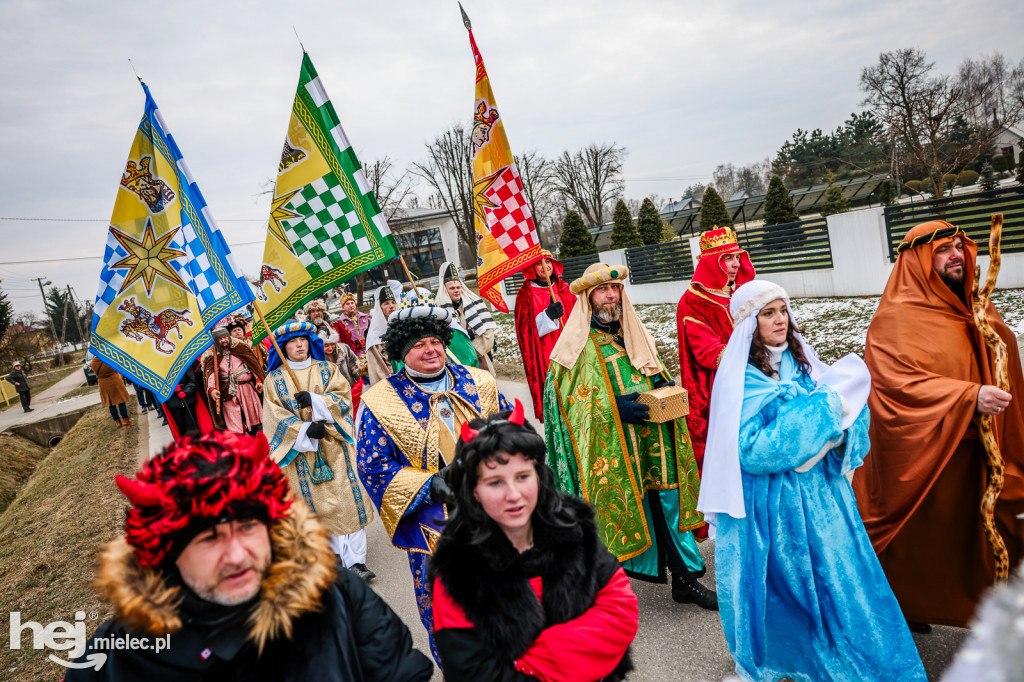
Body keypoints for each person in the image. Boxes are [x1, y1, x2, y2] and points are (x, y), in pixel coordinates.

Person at [65, 430, 433, 681]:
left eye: (247, 528)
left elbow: (400, 670)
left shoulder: (338, 593)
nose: (237, 555)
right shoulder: (117, 656)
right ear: (166, 551)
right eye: (209, 539)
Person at [698, 279, 926, 682]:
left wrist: (838, 429)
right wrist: (821, 413)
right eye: (768, 313)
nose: (779, 320)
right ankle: (789, 653)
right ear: (751, 324)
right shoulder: (741, 379)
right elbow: (754, 451)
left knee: (840, 582)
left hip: (824, 502)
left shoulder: (802, 360)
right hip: (774, 508)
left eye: (783, 310)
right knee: (788, 588)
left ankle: (845, 645)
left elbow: (848, 412)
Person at [853, 220, 1024, 629]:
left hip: (982, 451)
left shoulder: (975, 307)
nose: (956, 256)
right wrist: (968, 396)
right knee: (921, 538)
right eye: (944, 250)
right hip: (926, 456)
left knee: (986, 530)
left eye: (960, 247)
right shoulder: (895, 318)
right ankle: (902, 606)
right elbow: (897, 384)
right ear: (918, 262)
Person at [543, 263, 716, 610]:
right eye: (603, 290)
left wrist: (661, 385)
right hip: (613, 448)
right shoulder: (575, 346)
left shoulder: (632, 332)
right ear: (588, 298)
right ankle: (607, 591)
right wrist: (612, 408)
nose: (611, 295)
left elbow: (649, 369)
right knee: (624, 508)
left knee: (666, 501)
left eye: (616, 289)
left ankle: (685, 579)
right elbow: (564, 407)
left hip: (653, 436)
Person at [430, 405, 638, 682]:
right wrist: (582, 656)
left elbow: (620, 610)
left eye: (522, 477)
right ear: (474, 492)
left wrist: (527, 660)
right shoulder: (457, 568)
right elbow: (471, 669)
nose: (514, 495)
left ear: (538, 476)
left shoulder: (574, 532)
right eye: (495, 483)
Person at [356, 304, 508, 662]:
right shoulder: (381, 401)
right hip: (433, 524)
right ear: (401, 353)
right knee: (449, 603)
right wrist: (428, 486)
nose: (430, 350)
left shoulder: (479, 381)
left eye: (435, 341)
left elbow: (509, 430)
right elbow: (372, 465)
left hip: (494, 511)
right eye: (418, 345)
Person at [263, 321, 376, 583]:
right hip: (302, 453)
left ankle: (356, 561)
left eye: (303, 339)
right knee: (316, 507)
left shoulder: (328, 369)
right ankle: (331, 560)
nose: (299, 345)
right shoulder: (274, 379)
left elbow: (344, 398)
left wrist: (317, 402)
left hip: (335, 444)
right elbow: (273, 417)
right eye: (292, 341)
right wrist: (303, 431)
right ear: (283, 347)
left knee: (346, 501)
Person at [676, 227, 755, 532]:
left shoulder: (738, 293)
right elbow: (707, 353)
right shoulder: (692, 301)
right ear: (713, 263)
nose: (736, 263)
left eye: (738, 257)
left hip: (750, 381)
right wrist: (751, 351)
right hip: (716, 392)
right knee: (725, 458)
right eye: (729, 259)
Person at [514, 251, 575, 420]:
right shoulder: (525, 295)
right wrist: (548, 315)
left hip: (570, 349)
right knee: (559, 400)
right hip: (545, 354)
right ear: (532, 268)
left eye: (548, 261)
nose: (545, 266)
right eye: (540, 263)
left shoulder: (564, 288)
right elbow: (525, 331)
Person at [435, 261, 498, 376]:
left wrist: (468, 346)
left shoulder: (474, 304)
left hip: (479, 357)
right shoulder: (439, 310)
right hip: (456, 363)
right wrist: (469, 335)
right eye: (452, 288)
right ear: (445, 290)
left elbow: (487, 332)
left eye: (458, 287)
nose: (456, 290)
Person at [203, 327, 265, 435]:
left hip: (247, 390)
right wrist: (212, 389)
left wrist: (259, 380)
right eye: (220, 339)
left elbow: (253, 365)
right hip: (229, 394)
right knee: (235, 426)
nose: (223, 340)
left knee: (255, 419)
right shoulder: (211, 356)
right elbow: (211, 375)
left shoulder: (241, 348)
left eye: (225, 337)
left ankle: (259, 440)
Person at [161, 360, 213, 439]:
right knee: (181, 428)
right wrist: (169, 390)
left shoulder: (183, 363)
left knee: (192, 425)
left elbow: (193, 380)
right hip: (172, 402)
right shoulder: (160, 369)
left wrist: (186, 391)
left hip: (188, 400)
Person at [365, 283, 401, 386]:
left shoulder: (400, 326)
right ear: (379, 307)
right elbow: (377, 369)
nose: (391, 306)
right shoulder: (374, 334)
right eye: (386, 303)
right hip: (391, 380)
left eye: (393, 302)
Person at [320, 327, 363, 412]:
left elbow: (356, 368)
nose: (330, 348)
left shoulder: (344, 349)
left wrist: (362, 384)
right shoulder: (318, 358)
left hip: (351, 390)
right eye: (326, 346)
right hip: (333, 396)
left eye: (332, 344)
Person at [91, 356, 133, 427]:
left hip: (103, 384)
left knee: (110, 404)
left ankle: (118, 422)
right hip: (115, 381)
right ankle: (125, 420)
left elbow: (96, 373)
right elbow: (116, 368)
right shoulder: (108, 358)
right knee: (121, 401)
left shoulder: (92, 363)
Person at [336, 292, 371, 356]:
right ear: (343, 307)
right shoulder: (340, 322)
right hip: (353, 354)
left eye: (352, 303)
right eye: (347, 304)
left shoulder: (366, 317)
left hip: (369, 351)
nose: (351, 305)